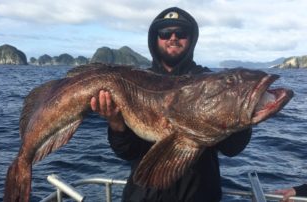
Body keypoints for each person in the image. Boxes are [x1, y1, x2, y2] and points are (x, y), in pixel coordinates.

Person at [91, 7, 252, 202]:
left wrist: (241, 113)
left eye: (181, 33)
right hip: (143, 196)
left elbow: (232, 149)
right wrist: (116, 124)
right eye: (165, 33)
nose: (173, 38)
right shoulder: (131, 82)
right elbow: (128, 152)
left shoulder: (210, 83)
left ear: (191, 39)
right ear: (155, 38)